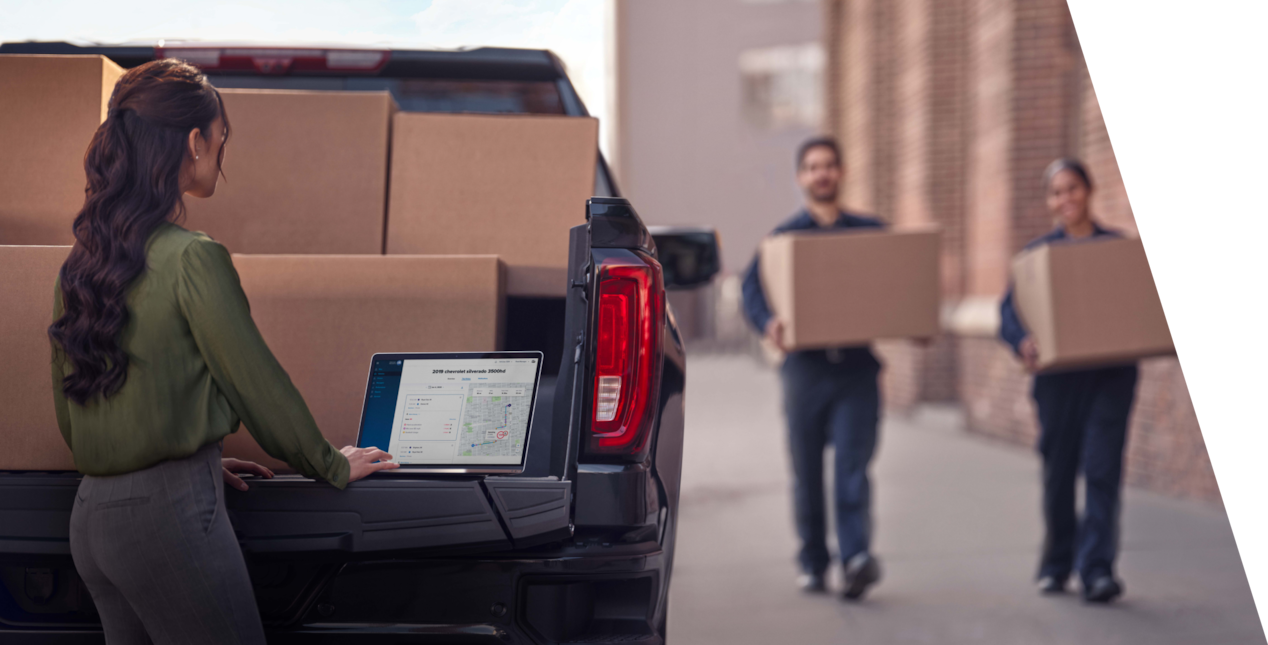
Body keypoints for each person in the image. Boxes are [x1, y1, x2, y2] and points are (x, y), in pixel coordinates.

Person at [47, 59, 400, 644]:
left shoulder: (79, 266)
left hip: (90, 521)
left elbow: (73, 412)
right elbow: (256, 385)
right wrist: (330, 464)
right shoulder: (193, 258)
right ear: (194, 141)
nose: (222, 154)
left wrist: (194, 460)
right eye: (221, 139)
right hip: (165, 521)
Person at [741, 137, 884, 601]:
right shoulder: (783, 240)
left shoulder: (871, 234)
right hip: (805, 371)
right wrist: (769, 323)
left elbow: (899, 280)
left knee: (852, 468)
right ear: (801, 177)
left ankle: (856, 557)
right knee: (807, 472)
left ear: (841, 173)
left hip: (858, 370)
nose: (821, 174)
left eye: (828, 166)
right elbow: (752, 291)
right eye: (812, 167)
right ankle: (813, 560)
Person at [998, 158, 1138, 604]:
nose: (1066, 199)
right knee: (1059, 474)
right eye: (1057, 192)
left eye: (1072, 188)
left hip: (1109, 376)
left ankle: (1097, 569)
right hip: (1057, 381)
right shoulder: (1037, 258)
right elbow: (1007, 314)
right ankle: (1057, 563)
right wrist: (1023, 343)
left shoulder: (1118, 249)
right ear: (1049, 202)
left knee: (1101, 469)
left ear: (1089, 192)